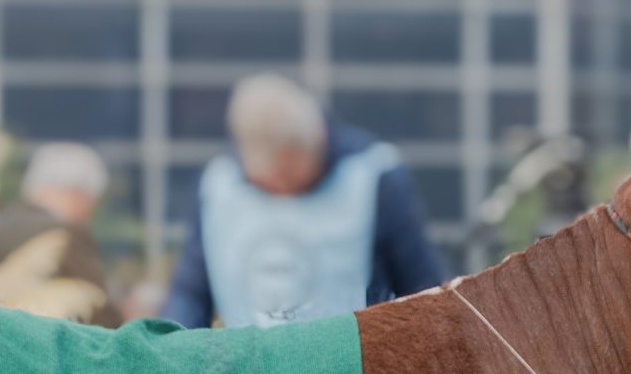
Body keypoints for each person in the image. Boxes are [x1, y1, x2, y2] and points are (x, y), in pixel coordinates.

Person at [163, 74, 444, 328]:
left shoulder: (374, 176)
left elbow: (424, 288)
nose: (284, 189)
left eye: (291, 173)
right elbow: (190, 293)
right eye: (274, 180)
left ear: (319, 137)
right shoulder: (219, 187)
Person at [0, 142, 121, 326]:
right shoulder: (66, 235)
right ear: (78, 194)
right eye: (90, 202)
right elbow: (100, 306)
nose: (88, 212)